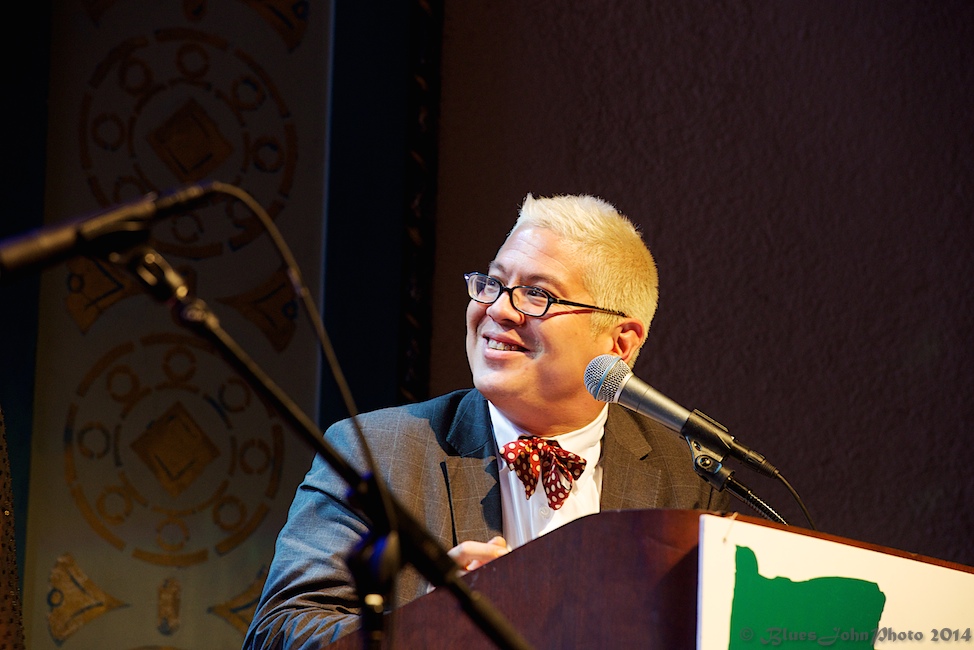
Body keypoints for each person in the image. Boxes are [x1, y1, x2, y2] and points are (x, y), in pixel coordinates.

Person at [243, 194, 729, 648]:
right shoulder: (375, 451)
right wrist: (433, 622)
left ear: (620, 342)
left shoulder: (685, 477)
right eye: (492, 284)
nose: (497, 309)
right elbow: (278, 631)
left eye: (536, 295)